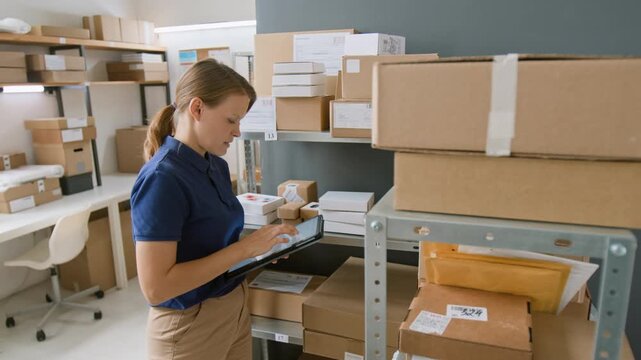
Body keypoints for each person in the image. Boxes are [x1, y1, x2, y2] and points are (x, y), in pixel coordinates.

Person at [131, 58, 297, 360]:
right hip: (188, 326)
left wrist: (263, 248)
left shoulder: (216, 167)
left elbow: (211, 248)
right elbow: (155, 288)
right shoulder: (162, 179)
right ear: (197, 109)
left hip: (232, 307)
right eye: (231, 120)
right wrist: (245, 249)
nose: (237, 132)